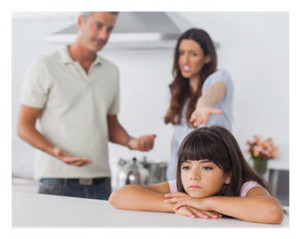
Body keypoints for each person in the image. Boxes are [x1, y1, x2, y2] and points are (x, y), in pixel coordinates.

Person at [17, 12, 156, 200]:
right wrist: (54, 151)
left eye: (109, 29)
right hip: (57, 181)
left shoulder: (110, 71)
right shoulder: (45, 66)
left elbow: (110, 124)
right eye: (98, 26)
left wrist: (131, 142)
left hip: (101, 182)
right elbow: (24, 126)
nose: (104, 36)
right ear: (81, 21)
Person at [109, 126, 284, 224]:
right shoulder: (182, 188)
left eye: (206, 167)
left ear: (228, 174)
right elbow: (118, 197)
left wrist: (205, 202)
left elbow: (272, 212)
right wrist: (176, 206)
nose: (193, 176)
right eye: (186, 167)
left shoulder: (245, 187)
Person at [164, 28, 234, 180]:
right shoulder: (175, 91)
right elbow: (178, 135)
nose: (185, 60)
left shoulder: (218, 78)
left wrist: (202, 106)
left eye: (193, 54)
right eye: (181, 53)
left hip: (212, 173)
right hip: (180, 173)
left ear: (207, 57)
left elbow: (213, 92)